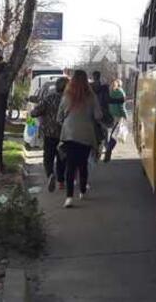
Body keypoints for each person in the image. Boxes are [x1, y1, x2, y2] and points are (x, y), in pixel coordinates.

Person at [57, 69, 103, 208]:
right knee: (83, 164)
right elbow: (98, 115)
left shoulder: (67, 96)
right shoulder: (91, 96)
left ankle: (69, 197)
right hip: (86, 134)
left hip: (69, 134)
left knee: (70, 165)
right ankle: (82, 191)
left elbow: (59, 117)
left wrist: (67, 122)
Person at [30, 77, 68, 192]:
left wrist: (36, 113)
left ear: (56, 87)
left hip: (49, 133)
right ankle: (61, 181)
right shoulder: (69, 100)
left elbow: (35, 112)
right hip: (65, 133)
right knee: (62, 157)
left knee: (48, 157)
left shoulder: (49, 98)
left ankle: (50, 174)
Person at [106, 79, 128, 154]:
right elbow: (122, 106)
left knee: (114, 131)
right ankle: (109, 147)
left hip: (112, 113)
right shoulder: (121, 93)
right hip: (118, 115)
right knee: (116, 133)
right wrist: (125, 115)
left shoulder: (111, 92)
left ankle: (109, 146)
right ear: (120, 85)